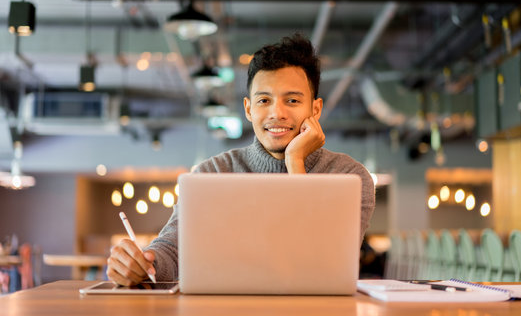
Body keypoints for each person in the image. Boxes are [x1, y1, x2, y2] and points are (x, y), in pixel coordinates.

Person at [107, 33, 376, 286]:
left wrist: (295, 163)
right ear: (248, 109)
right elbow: (173, 250)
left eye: (292, 100)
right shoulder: (211, 174)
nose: (277, 113)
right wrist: (142, 265)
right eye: (264, 101)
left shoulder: (350, 176)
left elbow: (327, 267)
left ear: (315, 109)